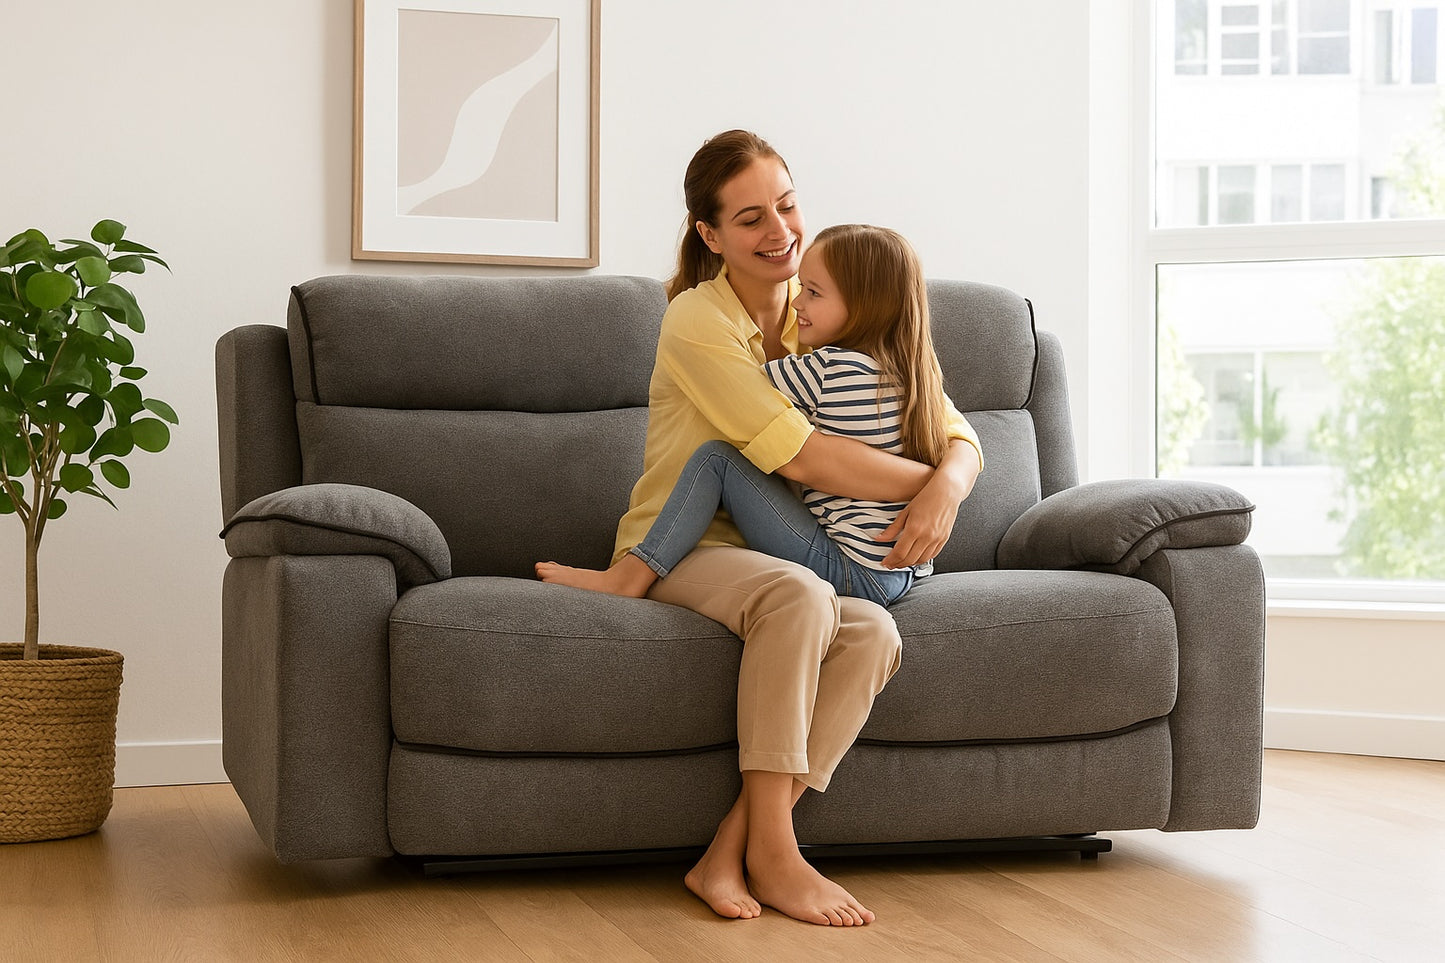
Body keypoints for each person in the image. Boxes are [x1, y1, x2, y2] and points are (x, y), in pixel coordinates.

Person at [538, 131, 982, 927]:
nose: (778, 231)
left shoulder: (830, 299)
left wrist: (951, 483)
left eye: (785, 205)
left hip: (786, 547)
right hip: (690, 544)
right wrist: (929, 485)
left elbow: (948, 421)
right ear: (710, 236)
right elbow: (800, 457)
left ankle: (726, 849)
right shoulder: (695, 322)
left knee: (874, 631)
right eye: (750, 219)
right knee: (799, 595)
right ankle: (778, 854)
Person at [537, 224, 954, 608]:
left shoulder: (828, 368)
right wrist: (938, 481)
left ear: (863, 306)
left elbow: (750, 388)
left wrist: (941, 484)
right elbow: (960, 436)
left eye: (813, 292)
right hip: (903, 573)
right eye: (802, 288)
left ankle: (629, 576)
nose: (798, 302)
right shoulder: (915, 375)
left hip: (851, 569)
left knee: (716, 459)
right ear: (711, 234)